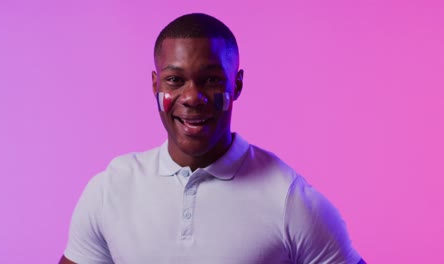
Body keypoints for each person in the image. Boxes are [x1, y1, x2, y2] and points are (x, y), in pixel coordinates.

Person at [59, 13, 366, 264]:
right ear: (155, 84)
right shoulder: (110, 189)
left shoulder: (290, 199)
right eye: (175, 80)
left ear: (238, 84)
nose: (192, 97)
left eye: (211, 80)